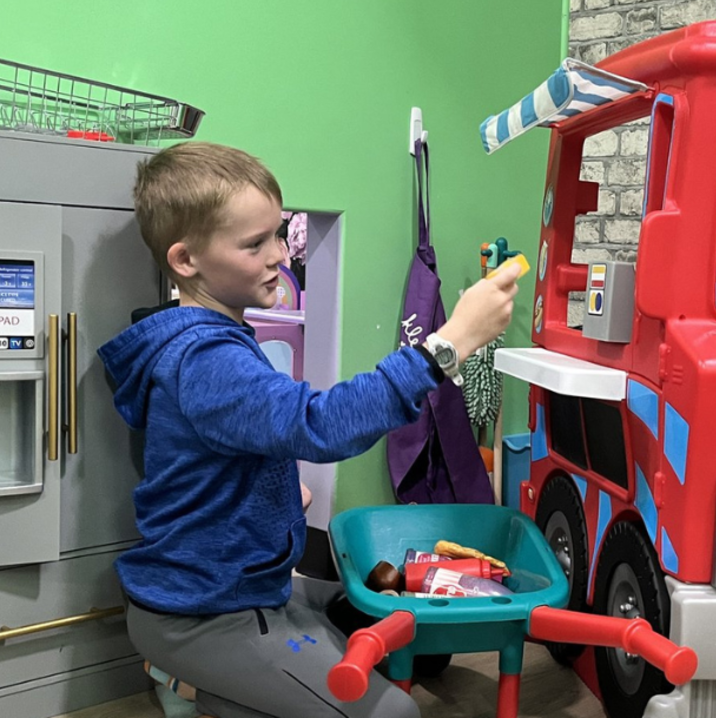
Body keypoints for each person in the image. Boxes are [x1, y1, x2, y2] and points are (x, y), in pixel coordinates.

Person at [98, 142, 520, 718]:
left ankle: (204, 688)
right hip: (205, 613)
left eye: (279, 232)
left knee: (406, 626)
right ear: (185, 259)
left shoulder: (207, 340)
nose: (278, 254)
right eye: (255, 243)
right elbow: (319, 425)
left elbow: (235, 449)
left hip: (250, 588)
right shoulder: (205, 359)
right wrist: (448, 346)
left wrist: (275, 495)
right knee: (395, 715)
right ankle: (193, 685)